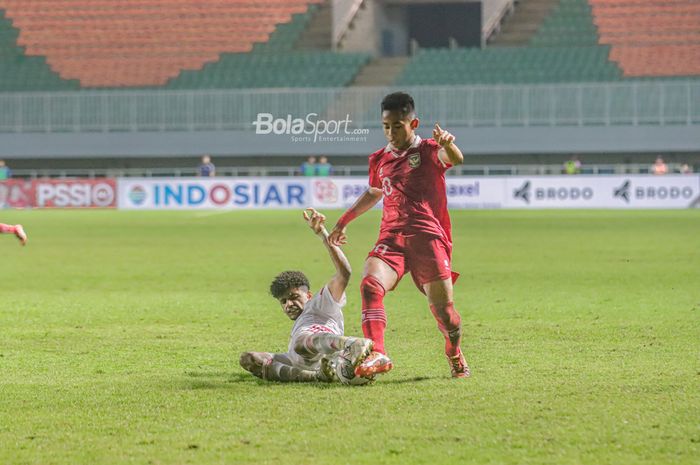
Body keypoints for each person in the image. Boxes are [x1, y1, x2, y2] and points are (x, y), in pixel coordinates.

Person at [328, 91, 470, 379]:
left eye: (397, 126)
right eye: (386, 126)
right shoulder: (379, 159)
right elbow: (373, 192)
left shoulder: (429, 150)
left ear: (413, 123)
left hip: (428, 239)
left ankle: (454, 352)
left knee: (446, 315)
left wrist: (449, 144)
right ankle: (378, 352)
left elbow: (455, 159)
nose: (391, 133)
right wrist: (344, 221)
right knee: (370, 285)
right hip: (391, 238)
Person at [239, 208, 374, 383]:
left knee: (300, 343)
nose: (288, 304)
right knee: (248, 358)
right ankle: (317, 377)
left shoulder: (320, 304)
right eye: (284, 301)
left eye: (294, 297)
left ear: (309, 295)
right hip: (301, 360)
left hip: (325, 351)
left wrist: (323, 234)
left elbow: (344, 273)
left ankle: (350, 344)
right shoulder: (301, 321)